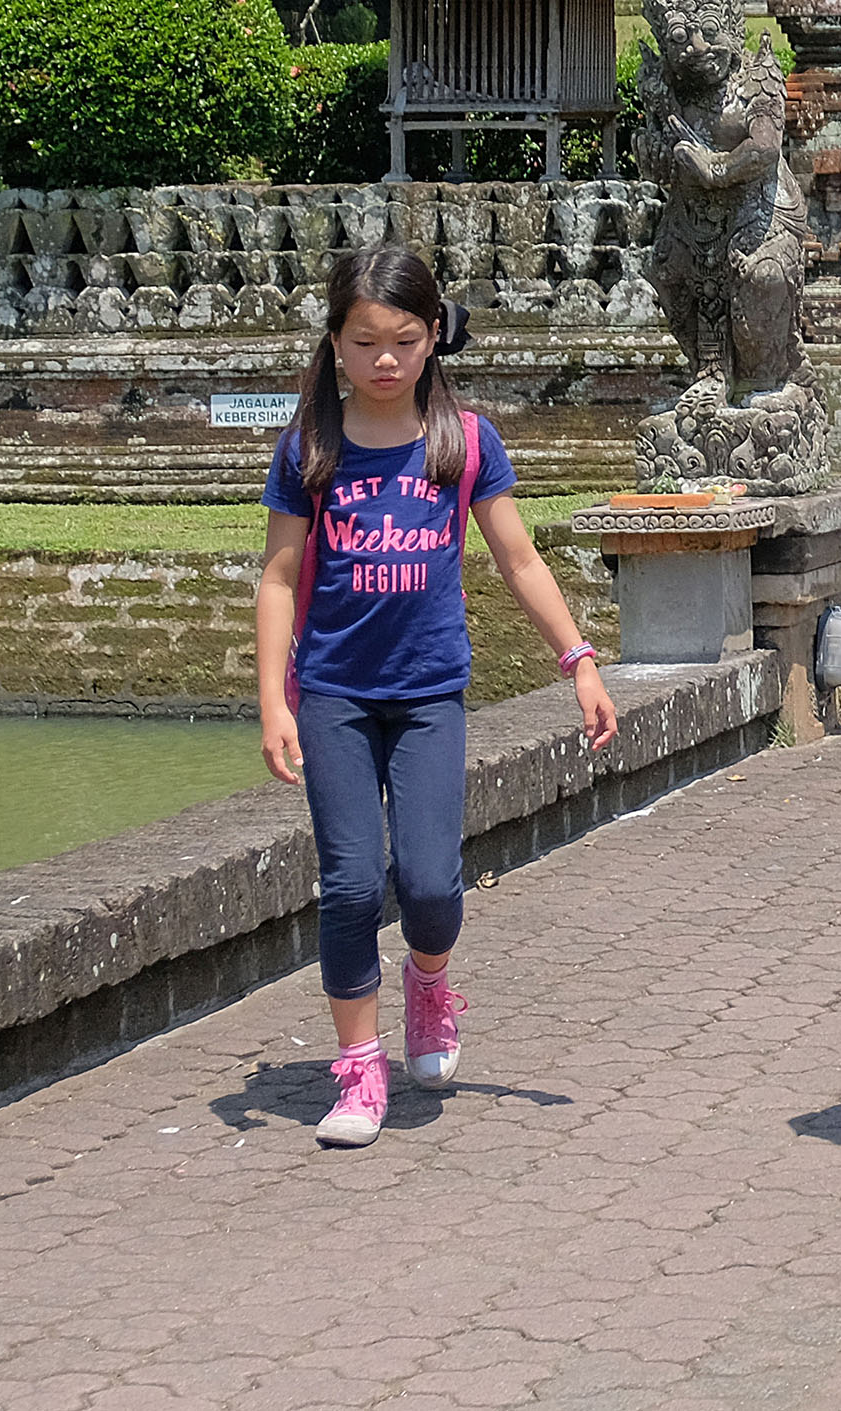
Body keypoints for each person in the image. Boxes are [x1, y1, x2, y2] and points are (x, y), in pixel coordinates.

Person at [257, 244, 617, 1150]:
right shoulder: (311, 445)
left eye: (405, 340)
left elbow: (519, 557)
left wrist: (577, 657)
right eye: (366, 340)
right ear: (335, 343)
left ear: (432, 341)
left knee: (427, 883)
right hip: (334, 691)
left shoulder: (463, 441)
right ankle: (356, 1069)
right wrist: (272, 698)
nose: (385, 358)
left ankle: (428, 981)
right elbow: (278, 576)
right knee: (346, 883)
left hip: (427, 694)